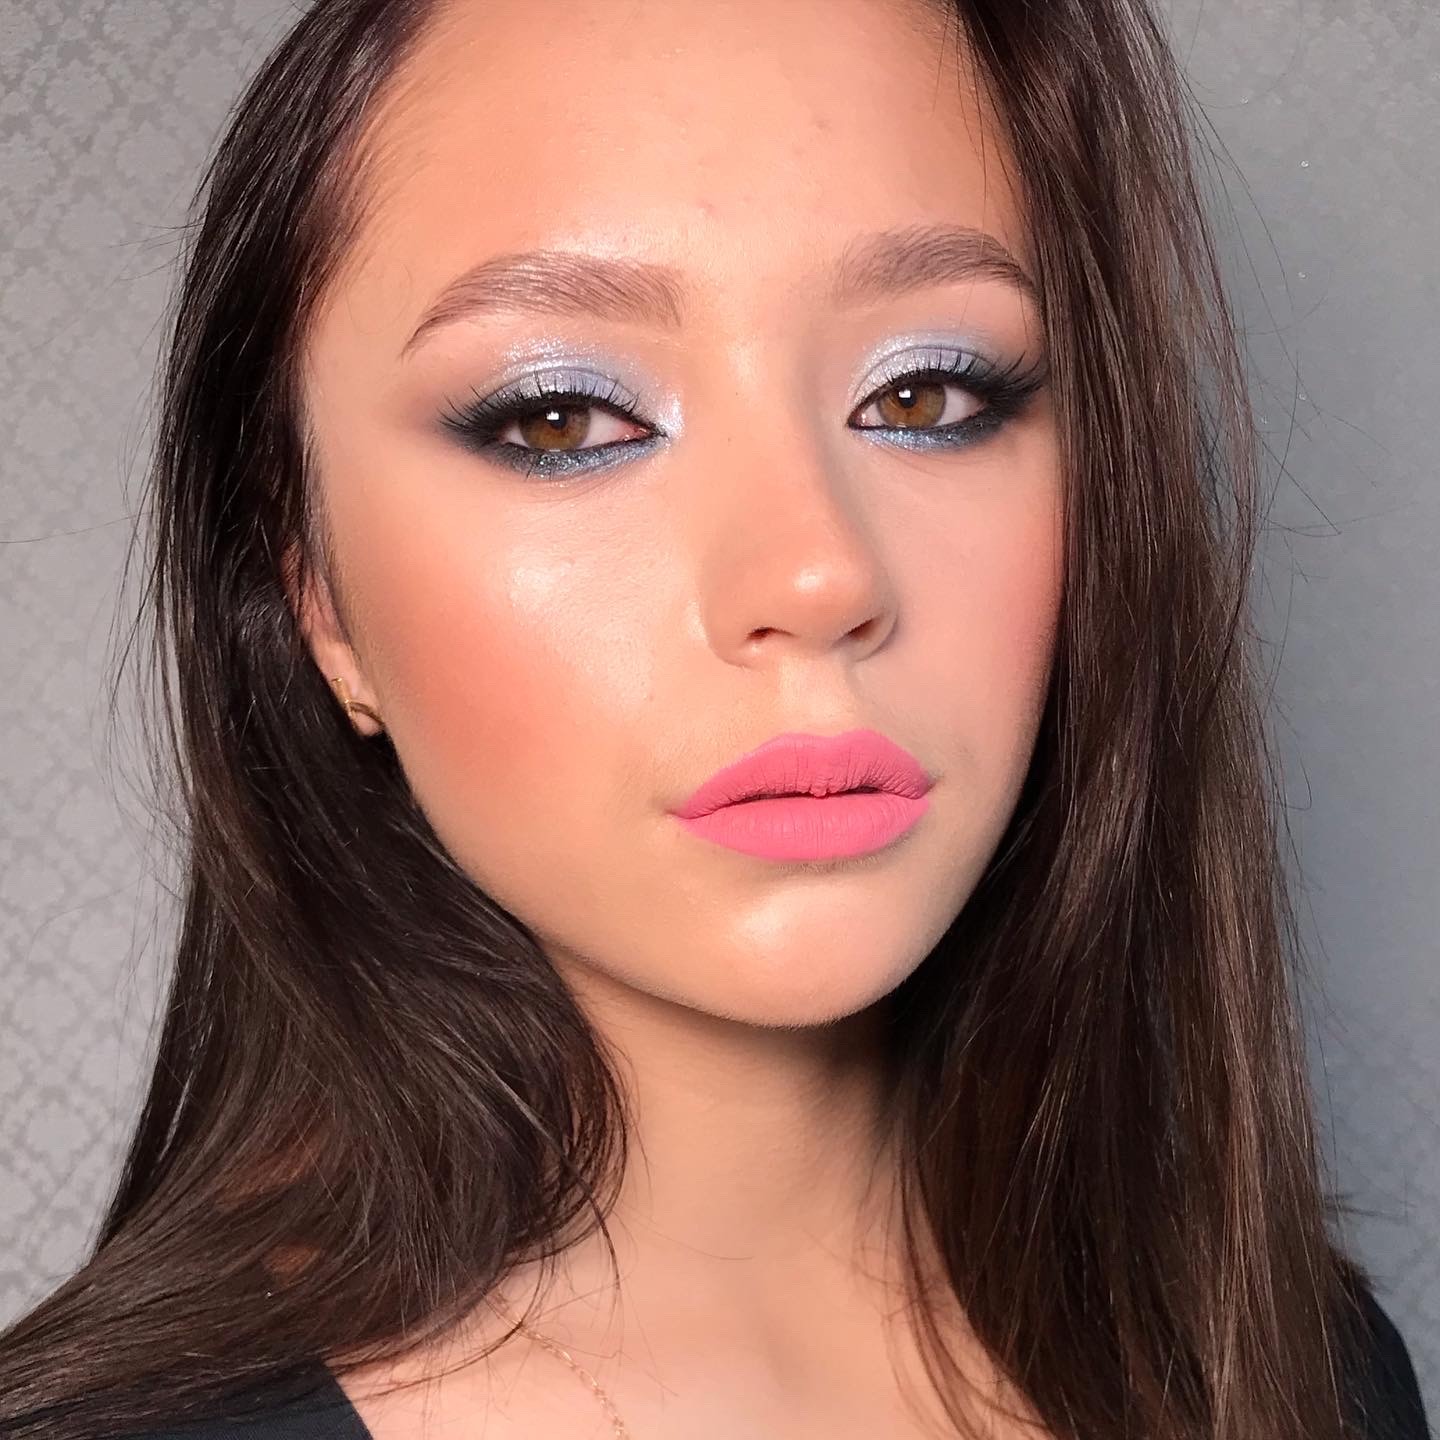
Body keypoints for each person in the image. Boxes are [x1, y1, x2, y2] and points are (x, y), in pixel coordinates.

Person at [0, 0, 1430, 1435]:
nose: (820, 576)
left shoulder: (1305, 1370)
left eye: (927, 394)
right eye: (562, 416)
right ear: (312, 589)